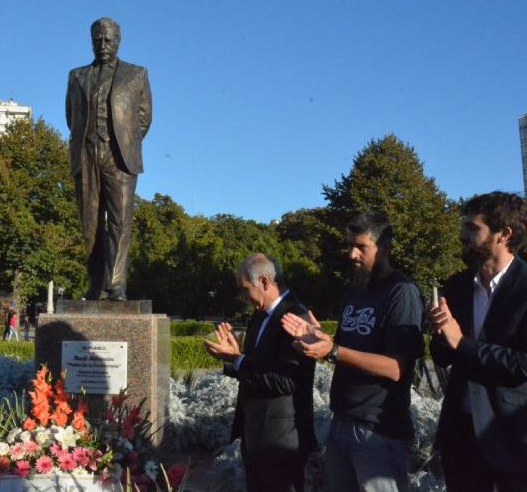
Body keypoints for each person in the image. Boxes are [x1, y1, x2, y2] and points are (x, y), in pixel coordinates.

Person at [281, 212, 424, 492]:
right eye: (349, 246)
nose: (351, 254)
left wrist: (333, 350)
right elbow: (346, 349)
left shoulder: (402, 292)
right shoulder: (356, 292)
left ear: (385, 248)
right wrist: (319, 339)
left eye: (361, 247)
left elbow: (396, 368)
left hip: (378, 432)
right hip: (342, 421)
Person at [429, 192, 527, 492]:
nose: (463, 236)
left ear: (504, 234)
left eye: (473, 228)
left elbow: (522, 364)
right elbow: (443, 357)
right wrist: (440, 335)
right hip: (460, 435)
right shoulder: (458, 286)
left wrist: (461, 342)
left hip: (513, 436)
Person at [204, 253, 316, 492]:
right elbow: (254, 371)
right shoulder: (258, 316)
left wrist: (237, 359)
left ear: (264, 281)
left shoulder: (296, 317)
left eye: (245, 289)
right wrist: (234, 360)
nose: (243, 297)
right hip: (256, 434)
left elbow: (286, 382)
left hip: (282, 439)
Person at [66, 17, 152, 301]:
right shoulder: (77, 76)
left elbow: (143, 118)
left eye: (108, 40)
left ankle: (115, 285)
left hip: (120, 156)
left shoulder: (136, 74)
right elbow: (72, 117)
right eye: (97, 40)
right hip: (87, 153)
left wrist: (123, 142)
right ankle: (95, 284)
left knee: (119, 221)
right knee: (90, 223)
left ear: (118, 40)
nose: (102, 45)